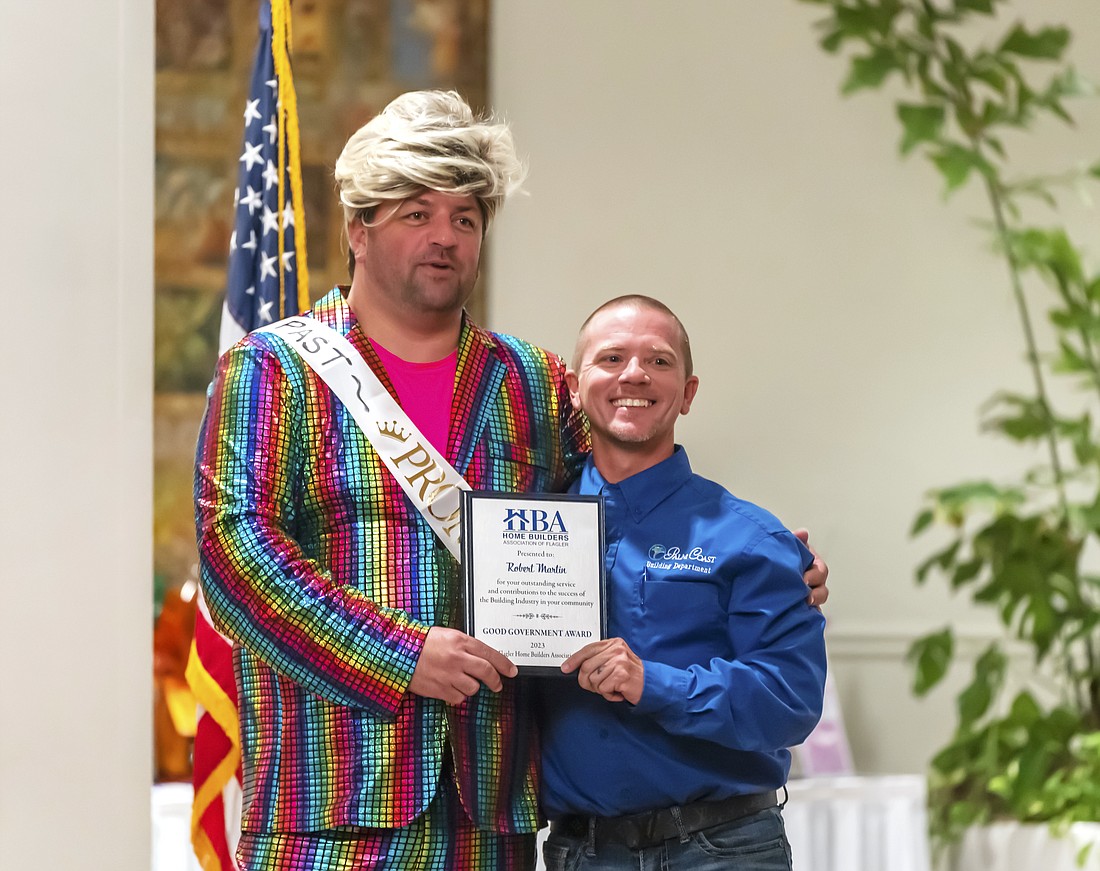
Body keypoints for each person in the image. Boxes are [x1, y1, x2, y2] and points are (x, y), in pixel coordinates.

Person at [196, 89, 829, 871]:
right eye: (417, 213)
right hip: (332, 797)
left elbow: (623, 504)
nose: (445, 236)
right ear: (358, 228)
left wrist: (768, 563)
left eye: (465, 219)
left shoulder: (533, 381)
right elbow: (237, 559)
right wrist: (402, 653)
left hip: (490, 809)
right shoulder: (274, 369)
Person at [538, 295, 827, 871]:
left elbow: (791, 701)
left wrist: (653, 683)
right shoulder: (516, 532)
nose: (634, 374)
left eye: (659, 361)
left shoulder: (750, 537)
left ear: (688, 393)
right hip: (580, 853)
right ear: (573, 387)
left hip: (722, 848)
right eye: (612, 358)